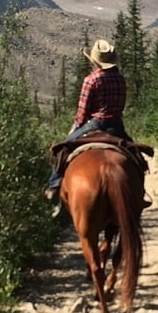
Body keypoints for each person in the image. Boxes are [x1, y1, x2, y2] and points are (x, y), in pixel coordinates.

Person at [45, 39, 132, 204]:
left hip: (95, 124)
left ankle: (54, 185)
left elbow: (82, 113)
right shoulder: (120, 79)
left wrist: (75, 128)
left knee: (63, 148)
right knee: (135, 154)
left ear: (95, 62)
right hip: (116, 125)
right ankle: (138, 193)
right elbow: (121, 106)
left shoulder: (91, 80)